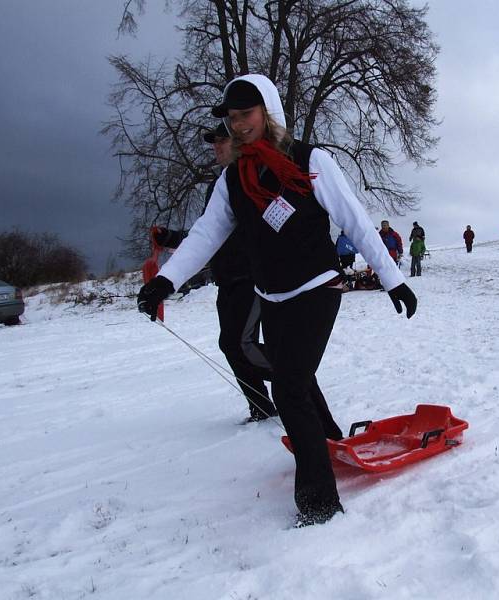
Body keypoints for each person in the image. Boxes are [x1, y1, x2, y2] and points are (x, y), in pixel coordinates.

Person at [137, 74, 417, 526]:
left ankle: (319, 504)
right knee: (297, 381)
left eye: (245, 114)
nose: (238, 125)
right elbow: (206, 235)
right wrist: (164, 282)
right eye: (231, 118)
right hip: (272, 296)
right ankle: (325, 442)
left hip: (317, 289)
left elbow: (356, 221)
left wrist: (393, 279)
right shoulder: (234, 178)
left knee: (287, 388)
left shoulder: (311, 160)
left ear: (267, 112)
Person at [152, 123, 277, 422]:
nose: (215, 147)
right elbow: (206, 234)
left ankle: (295, 378)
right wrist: (170, 238)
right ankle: (260, 407)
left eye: (221, 141)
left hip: (253, 279)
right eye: (214, 142)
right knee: (230, 345)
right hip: (227, 281)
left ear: (238, 143)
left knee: (238, 344)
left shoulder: (257, 178)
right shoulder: (218, 186)